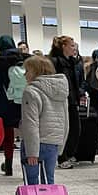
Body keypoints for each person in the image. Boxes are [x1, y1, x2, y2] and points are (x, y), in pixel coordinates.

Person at [0, 35, 30, 176]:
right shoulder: (26, 58)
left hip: (4, 103)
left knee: (8, 135)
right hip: (25, 100)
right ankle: (28, 164)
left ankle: (8, 165)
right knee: (28, 133)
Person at [20, 55, 69, 185]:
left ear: (36, 72)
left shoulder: (30, 92)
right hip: (53, 143)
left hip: (36, 144)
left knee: (32, 185)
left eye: (27, 71)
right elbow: (66, 120)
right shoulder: (61, 91)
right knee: (49, 182)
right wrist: (60, 145)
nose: (25, 75)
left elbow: (31, 124)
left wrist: (31, 152)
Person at [48, 36, 81, 169]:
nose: (74, 48)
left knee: (75, 128)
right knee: (64, 129)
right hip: (61, 100)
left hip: (72, 98)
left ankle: (68, 154)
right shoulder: (55, 62)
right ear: (64, 47)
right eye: (72, 45)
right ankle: (62, 157)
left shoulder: (73, 62)